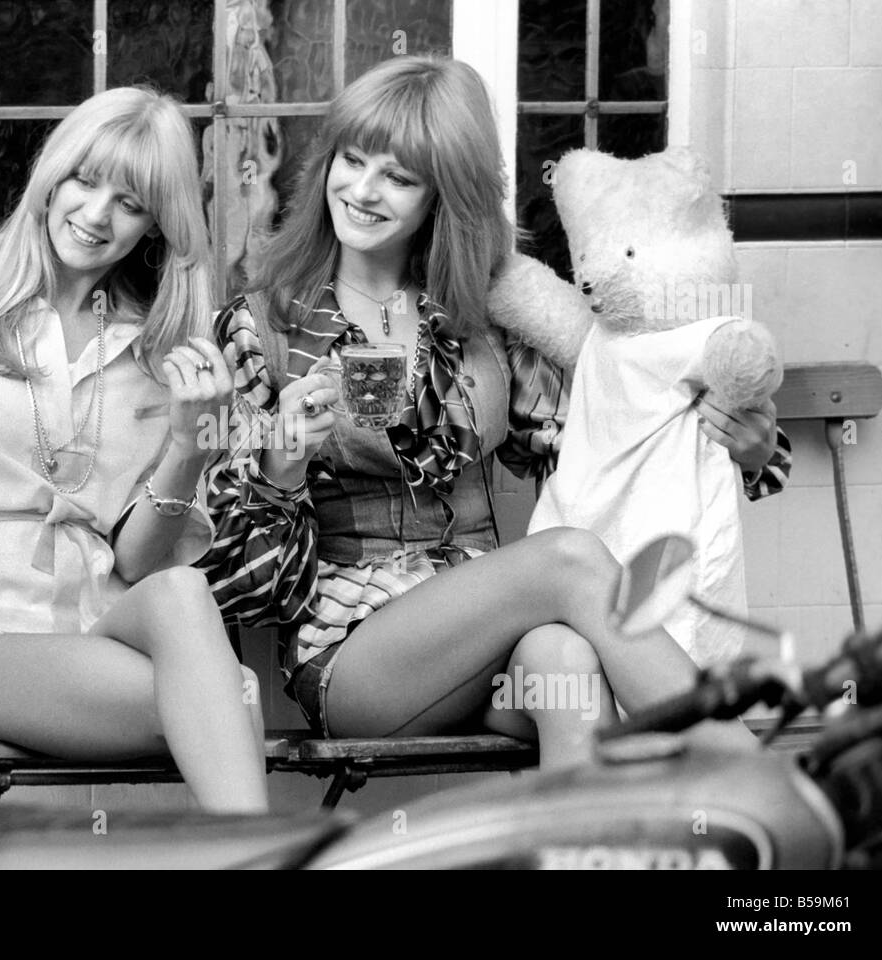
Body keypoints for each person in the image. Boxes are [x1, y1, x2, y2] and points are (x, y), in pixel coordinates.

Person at [197, 56, 791, 766]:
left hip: (490, 640)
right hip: (356, 655)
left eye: (399, 175)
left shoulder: (483, 318)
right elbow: (241, 582)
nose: (362, 189)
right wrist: (283, 467)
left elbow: (629, 424)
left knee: (563, 658)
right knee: (569, 560)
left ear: (442, 196)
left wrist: (757, 456)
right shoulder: (263, 327)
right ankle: (744, 774)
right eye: (351, 160)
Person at [0, 87, 269, 813]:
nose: (95, 214)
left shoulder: (163, 351)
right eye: (84, 180)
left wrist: (189, 443)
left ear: (155, 224)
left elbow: (139, 564)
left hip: (96, 624)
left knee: (183, 593)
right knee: (228, 699)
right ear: (51, 176)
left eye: (129, 201)